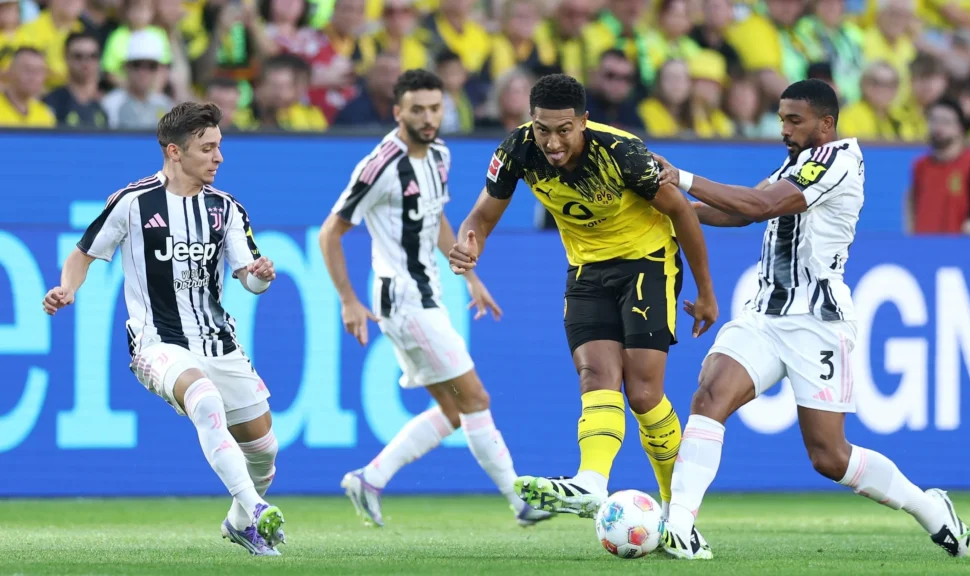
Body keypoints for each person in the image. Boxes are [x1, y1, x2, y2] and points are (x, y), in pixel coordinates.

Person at [651, 79, 970, 560]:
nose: (783, 128)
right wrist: (669, 209)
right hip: (765, 314)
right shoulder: (799, 161)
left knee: (829, 457)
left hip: (817, 323)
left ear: (826, 123)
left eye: (794, 120)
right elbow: (742, 215)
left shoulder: (838, 160)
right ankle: (680, 526)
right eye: (781, 118)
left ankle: (930, 510)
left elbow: (760, 205)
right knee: (709, 396)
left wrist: (681, 179)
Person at [448, 73, 718, 545]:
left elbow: (682, 212)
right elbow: (482, 215)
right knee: (594, 374)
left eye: (563, 129)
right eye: (542, 129)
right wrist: (470, 241)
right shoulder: (516, 152)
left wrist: (707, 292)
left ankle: (680, 517)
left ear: (584, 123)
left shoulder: (623, 154)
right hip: (587, 271)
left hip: (647, 263)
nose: (552, 141)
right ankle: (591, 482)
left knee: (643, 392)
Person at [41, 102, 286, 557]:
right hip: (157, 343)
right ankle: (255, 510)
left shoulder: (225, 208)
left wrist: (260, 275)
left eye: (219, 147)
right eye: (207, 148)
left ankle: (239, 520)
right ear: (175, 151)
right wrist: (66, 288)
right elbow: (83, 254)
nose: (219, 157)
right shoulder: (133, 202)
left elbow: (248, 279)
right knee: (204, 400)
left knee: (265, 453)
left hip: (219, 342)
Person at [317, 69, 552, 529]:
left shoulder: (440, 154)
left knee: (451, 410)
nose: (428, 118)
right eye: (418, 109)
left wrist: (469, 276)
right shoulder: (380, 165)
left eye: (435, 108)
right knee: (476, 397)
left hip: (428, 294)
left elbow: (437, 217)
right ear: (398, 111)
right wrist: (347, 299)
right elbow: (331, 233)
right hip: (403, 300)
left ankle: (369, 478)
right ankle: (520, 500)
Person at [905, 98, 970, 235]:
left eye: (946, 122)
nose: (938, 127)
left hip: (962, 251)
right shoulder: (920, 166)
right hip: (926, 249)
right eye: (934, 120)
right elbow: (911, 201)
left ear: (959, 127)